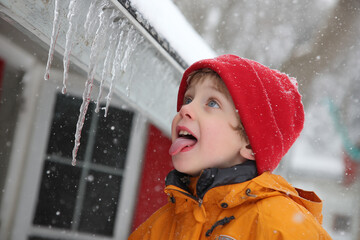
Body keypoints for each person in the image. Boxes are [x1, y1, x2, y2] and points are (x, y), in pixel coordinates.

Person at [128, 55, 331, 239]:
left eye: (212, 103)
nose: (185, 108)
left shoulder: (283, 227)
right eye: (188, 98)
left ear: (251, 144)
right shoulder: (157, 229)